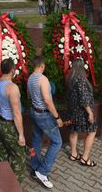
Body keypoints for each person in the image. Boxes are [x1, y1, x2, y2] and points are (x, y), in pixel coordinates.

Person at [27, 57, 63, 189]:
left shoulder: (30, 79)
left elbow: (29, 96)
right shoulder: (43, 79)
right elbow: (48, 101)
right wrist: (57, 117)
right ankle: (42, 171)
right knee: (57, 142)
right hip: (43, 114)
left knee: (36, 140)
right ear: (42, 66)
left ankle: (34, 167)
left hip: (33, 112)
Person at [0, 58, 26, 183]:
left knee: (2, 151)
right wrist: (21, 135)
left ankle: (3, 180)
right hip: (9, 124)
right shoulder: (12, 88)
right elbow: (17, 113)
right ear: (13, 70)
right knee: (18, 155)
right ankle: (14, 185)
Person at [67, 58, 97, 167]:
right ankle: (85, 158)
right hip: (81, 113)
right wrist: (90, 113)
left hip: (72, 112)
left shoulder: (70, 79)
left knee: (74, 131)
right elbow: (84, 98)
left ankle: (73, 154)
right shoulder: (81, 80)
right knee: (92, 131)